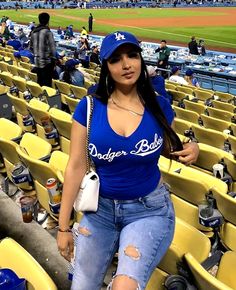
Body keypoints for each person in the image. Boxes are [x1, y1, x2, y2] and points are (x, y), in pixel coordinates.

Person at [57, 30, 199, 290]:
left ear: (140, 60)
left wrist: (193, 148)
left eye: (132, 55)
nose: (126, 64)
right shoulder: (89, 107)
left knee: (125, 286)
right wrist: (64, 227)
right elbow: (75, 166)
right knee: (81, 286)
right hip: (99, 211)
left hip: (149, 210)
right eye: (116, 59)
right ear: (106, 67)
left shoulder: (159, 105)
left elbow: (169, 148)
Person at [30, 12, 56, 87]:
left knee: (40, 82)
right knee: (47, 85)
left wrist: (37, 54)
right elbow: (53, 50)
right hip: (47, 63)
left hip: (37, 62)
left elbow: (31, 47)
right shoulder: (48, 32)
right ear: (48, 21)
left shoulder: (33, 32)